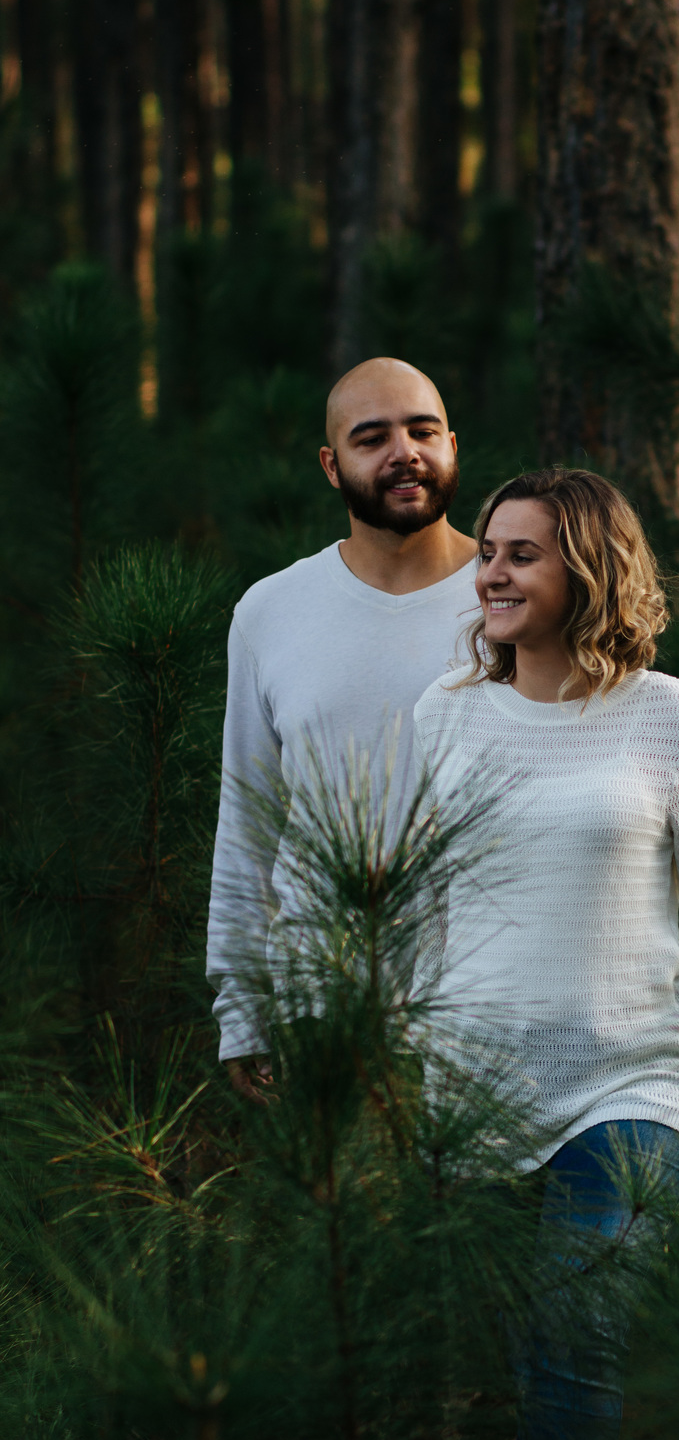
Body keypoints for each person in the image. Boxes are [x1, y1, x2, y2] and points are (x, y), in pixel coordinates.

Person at [412, 467, 679, 1440]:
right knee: (491, 1383)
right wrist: (399, 1072)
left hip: (634, 1088)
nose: (491, 574)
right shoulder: (444, 717)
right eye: (487, 553)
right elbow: (421, 912)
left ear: (589, 570)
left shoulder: (674, 721)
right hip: (472, 1098)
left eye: (522, 555)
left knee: (577, 1338)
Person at [206, 356, 478, 1103]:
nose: (404, 452)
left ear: (452, 446)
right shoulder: (271, 611)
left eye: (423, 431)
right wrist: (242, 1008)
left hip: (492, 1002)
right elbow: (249, 824)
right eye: (372, 437)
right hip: (322, 1010)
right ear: (331, 466)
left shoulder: (513, 594)